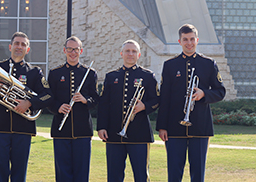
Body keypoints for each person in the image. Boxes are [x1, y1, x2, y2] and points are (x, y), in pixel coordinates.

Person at [0, 31, 52, 182]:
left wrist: (30, 102)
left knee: (19, 173)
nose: (19, 47)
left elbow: (48, 95)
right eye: (17, 43)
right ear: (10, 46)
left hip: (23, 130)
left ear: (27, 49)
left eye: (23, 44)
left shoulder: (34, 72)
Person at [156, 24, 226, 182]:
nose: (189, 43)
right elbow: (164, 98)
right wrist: (162, 126)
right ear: (179, 41)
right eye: (185, 39)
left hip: (200, 127)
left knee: (198, 172)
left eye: (192, 39)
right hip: (174, 126)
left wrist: (204, 93)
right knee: (174, 171)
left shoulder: (208, 64)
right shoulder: (169, 65)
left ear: (197, 40)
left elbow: (220, 92)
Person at [97, 40, 159, 182]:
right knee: (114, 176)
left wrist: (145, 106)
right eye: (127, 51)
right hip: (113, 132)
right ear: (121, 54)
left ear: (139, 54)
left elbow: (157, 100)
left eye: (133, 51)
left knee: (141, 176)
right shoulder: (111, 76)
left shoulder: (148, 76)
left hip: (139, 134)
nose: (130, 54)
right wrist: (101, 127)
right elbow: (104, 104)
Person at [48, 36, 99, 182]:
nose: (73, 52)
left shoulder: (89, 73)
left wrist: (85, 100)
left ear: (81, 51)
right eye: (69, 49)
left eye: (76, 49)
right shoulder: (55, 73)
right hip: (61, 130)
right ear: (64, 50)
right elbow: (48, 99)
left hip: (82, 130)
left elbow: (96, 99)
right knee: (62, 172)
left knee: (81, 173)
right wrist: (58, 107)